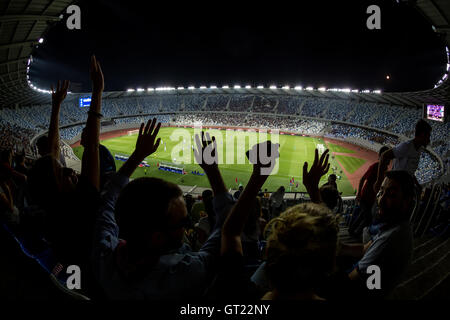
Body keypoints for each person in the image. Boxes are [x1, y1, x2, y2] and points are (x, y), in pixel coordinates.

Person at [93, 129, 234, 299]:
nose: (187, 226)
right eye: (183, 222)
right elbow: (229, 225)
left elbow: (108, 198)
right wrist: (211, 170)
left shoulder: (103, 251)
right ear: (157, 237)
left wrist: (137, 155)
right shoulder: (187, 273)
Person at [26, 56, 104, 297]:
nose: (70, 170)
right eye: (63, 173)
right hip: (95, 282)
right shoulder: (83, 205)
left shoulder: (50, 211)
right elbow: (92, 147)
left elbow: (52, 152)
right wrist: (98, 91)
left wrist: (56, 107)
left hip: (67, 275)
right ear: (55, 185)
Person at [340, 170, 415, 298]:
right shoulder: (395, 225)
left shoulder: (389, 240)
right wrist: (337, 247)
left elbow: (351, 280)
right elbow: (364, 249)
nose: (380, 199)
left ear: (406, 201)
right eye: (381, 191)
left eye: (391, 194)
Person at [374, 119, 432, 194]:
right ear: (422, 135)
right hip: (394, 186)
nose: (429, 140)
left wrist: (417, 185)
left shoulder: (419, 148)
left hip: (403, 187)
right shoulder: (406, 146)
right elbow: (384, 155)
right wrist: (379, 182)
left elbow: (409, 172)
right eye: (428, 136)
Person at [350, 146, 390, 237]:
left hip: (372, 199)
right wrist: (359, 194)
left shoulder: (384, 169)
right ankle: (355, 234)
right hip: (365, 197)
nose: (389, 160)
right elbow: (362, 179)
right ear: (381, 156)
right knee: (367, 218)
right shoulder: (375, 166)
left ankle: (351, 230)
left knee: (362, 215)